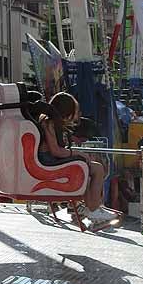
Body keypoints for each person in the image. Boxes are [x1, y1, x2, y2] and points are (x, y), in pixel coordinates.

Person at [37, 91, 113, 226]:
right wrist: (77, 153)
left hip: (50, 159)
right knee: (97, 168)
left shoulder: (50, 123)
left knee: (89, 168)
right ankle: (94, 209)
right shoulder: (49, 124)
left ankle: (90, 207)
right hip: (49, 161)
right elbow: (56, 151)